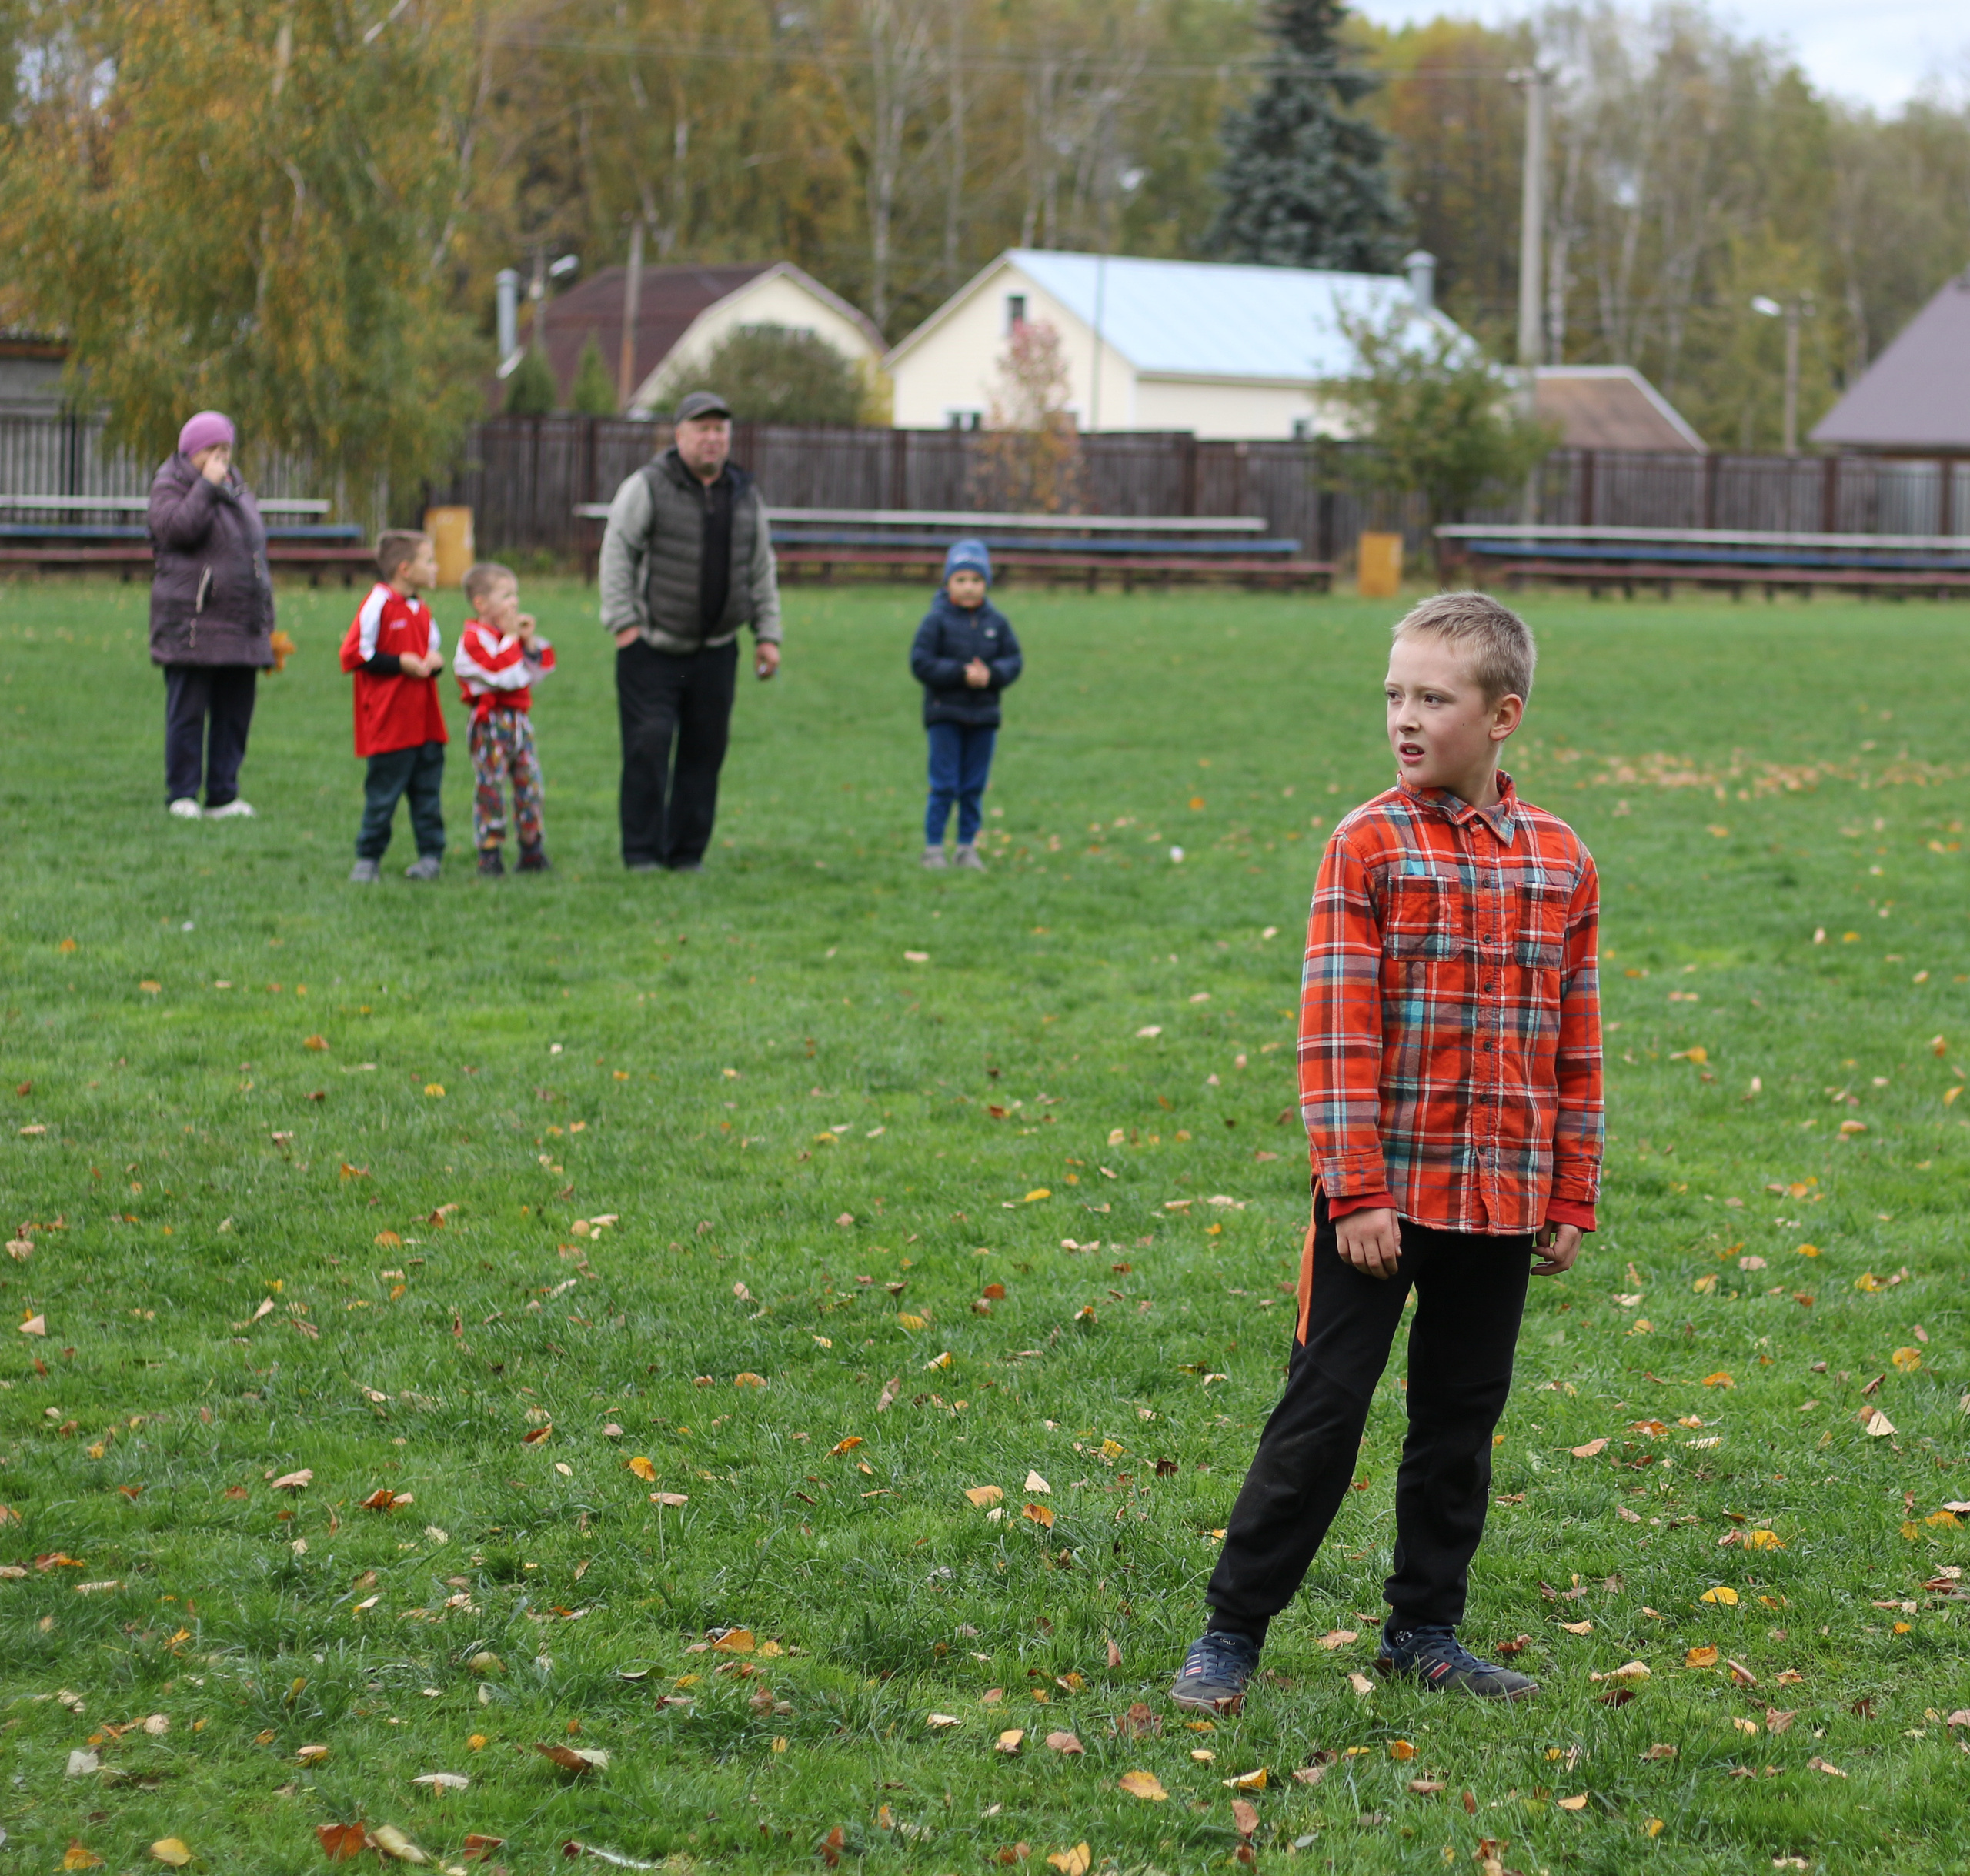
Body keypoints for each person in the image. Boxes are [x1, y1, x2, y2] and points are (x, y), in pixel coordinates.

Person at [1169, 592, 1602, 1714]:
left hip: (1503, 1199)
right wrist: (1355, 1190)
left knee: (1459, 1425)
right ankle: (1232, 1628)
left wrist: (1572, 1188)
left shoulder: (1561, 860)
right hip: (1378, 1200)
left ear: (1503, 713)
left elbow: (1577, 1039)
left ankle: (1426, 1630)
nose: (1405, 719)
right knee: (1321, 1414)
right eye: (1394, 696)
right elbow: (1334, 1033)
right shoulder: (1366, 843)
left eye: (1433, 698)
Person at [597, 389, 781, 873]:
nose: (712, 438)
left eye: (720, 429)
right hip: (652, 649)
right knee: (647, 746)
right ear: (679, 435)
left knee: (705, 753)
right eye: (702, 429)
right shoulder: (649, 486)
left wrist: (768, 634)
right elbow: (618, 552)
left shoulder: (745, 493)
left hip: (717, 651)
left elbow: (761, 567)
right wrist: (624, 626)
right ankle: (641, 853)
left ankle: (686, 854)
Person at [146, 410, 275, 819]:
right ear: (192, 451)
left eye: (227, 450)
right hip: (193, 623)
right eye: (213, 451)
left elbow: (254, 550)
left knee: (234, 713)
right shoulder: (172, 485)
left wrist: (264, 617)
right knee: (187, 713)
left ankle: (223, 794)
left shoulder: (237, 488)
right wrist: (205, 486)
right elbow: (176, 532)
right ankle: (182, 794)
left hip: (241, 623)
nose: (223, 459)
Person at [339, 531, 447, 883]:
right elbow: (355, 653)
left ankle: (431, 857)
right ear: (404, 568)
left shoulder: (422, 608)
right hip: (391, 724)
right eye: (429, 561)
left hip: (427, 723)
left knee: (427, 796)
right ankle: (367, 860)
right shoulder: (378, 603)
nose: (436, 567)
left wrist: (434, 660)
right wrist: (401, 663)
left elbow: (432, 648)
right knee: (382, 797)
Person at [910, 539, 1021, 870]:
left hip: (984, 717)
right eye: (961, 580)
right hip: (945, 714)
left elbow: (1014, 660)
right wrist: (960, 674)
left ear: (986, 583)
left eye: (976, 580)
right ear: (948, 583)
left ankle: (966, 848)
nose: (969, 587)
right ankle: (933, 849)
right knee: (944, 784)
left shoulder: (997, 623)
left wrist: (992, 675)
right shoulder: (936, 621)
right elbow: (921, 663)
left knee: (973, 787)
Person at [454, 561, 556, 877]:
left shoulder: (507, 638)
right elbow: (502, 674)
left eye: (516, 595)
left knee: (529, 784)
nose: (515, 602)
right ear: (482, 603)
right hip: (490, 724)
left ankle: (531, 848)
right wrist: (512, 639)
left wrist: (527, 641)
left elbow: (538, 670)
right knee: (490, 788)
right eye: (506, 595)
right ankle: (490, 852)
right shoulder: (472, 639)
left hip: (519, 722)